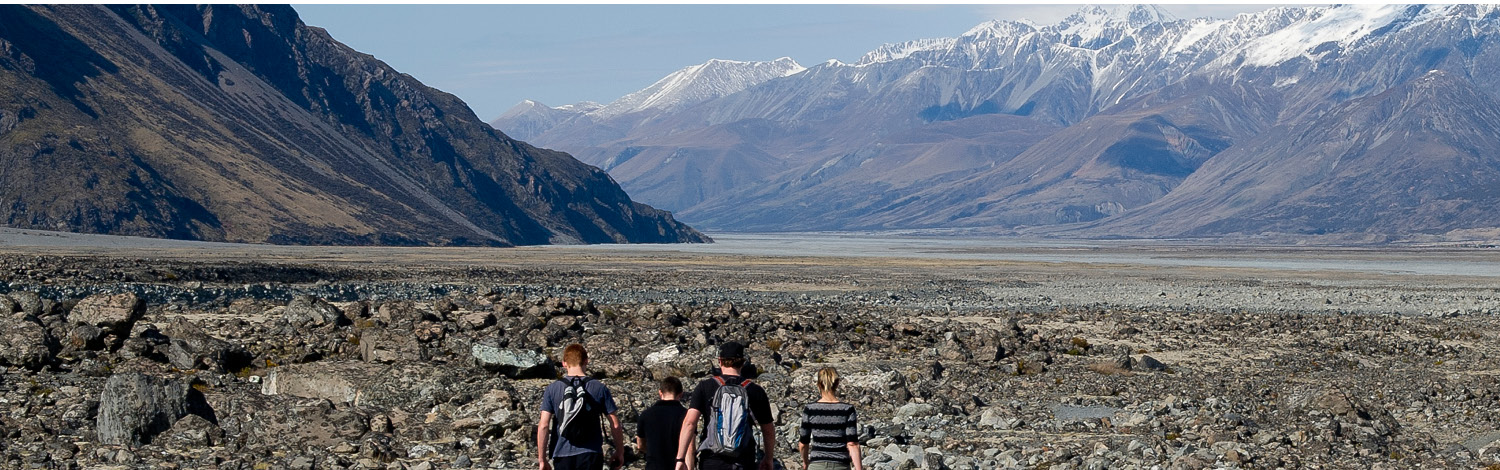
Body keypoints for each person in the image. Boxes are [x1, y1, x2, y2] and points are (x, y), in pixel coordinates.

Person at [675, 341, 776, 470]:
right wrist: (768, 458)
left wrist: (680, 458)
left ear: (720, 361)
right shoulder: (755, 390)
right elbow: (768, 430)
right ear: (743, 362)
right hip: (743, 460)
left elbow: (689, 423)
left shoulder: (704, 387)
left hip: (712, 460)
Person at [537, 343, 625, 470]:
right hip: (591, 453)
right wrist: (620, 452)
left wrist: (542, 459)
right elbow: (615, 424)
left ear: (564, 363)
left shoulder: (552, 389)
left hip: (562, 454)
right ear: (586, 361)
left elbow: (544, 425)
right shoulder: (599, 388)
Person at [797, 368, 863, 470]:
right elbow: (852, 444)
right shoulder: (847, 409)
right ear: (837, 384)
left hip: (817, 465)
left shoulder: (810, 409)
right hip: (840, 465)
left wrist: (805, 462)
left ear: (818, 384)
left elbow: (803, 444)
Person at [637, 377, 694, 470]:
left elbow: (640, 445)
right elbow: (690, 447)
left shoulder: (646, 415)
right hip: (676, 466)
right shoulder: (687, 416)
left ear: (660, 393)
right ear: (681, 394)